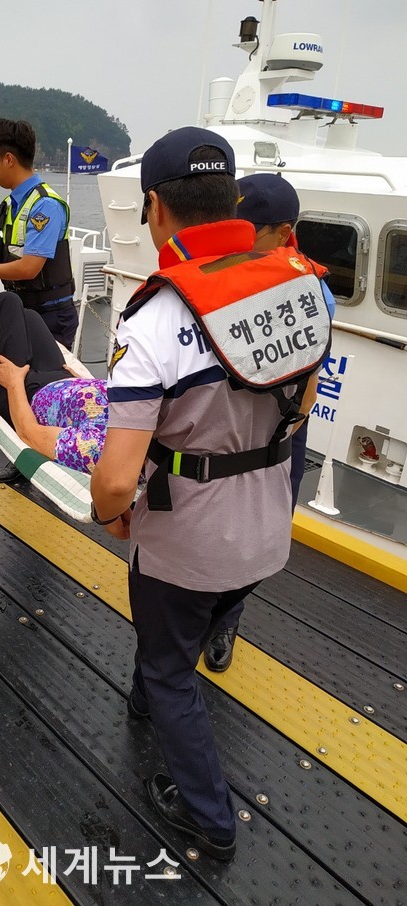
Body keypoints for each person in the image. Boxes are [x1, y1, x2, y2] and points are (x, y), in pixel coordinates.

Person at [90, 128, 330, 860]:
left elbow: (117, 479)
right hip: (267, 528)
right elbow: (303, 404)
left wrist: (109, 513)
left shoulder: (155, 319)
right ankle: (144, 700)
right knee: (193, 624)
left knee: (171, 668)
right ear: (231, 202)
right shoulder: (297, 289)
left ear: (156, 208)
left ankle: (209, 818)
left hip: (186, 540)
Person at [202, 172, 336, 672]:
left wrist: (284, 435)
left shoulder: (311, 293)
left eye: (249, 231)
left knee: (264, 529)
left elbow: (310, 380)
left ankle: (226, 616)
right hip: (221, 425)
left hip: (279, 430)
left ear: (282, 234)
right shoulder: (211, 272)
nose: (236, 240)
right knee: (208, 523)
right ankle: (194, 611)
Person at [0, 291, 107, 475]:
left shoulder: (96, 449)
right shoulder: (132, 411)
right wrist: (83, 383)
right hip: (62, 378)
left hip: (26, 396)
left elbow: (29, 435)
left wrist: (14, 383)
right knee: (29, 317)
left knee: (5, 302)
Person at [0, 119, 78, 350]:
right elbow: (9, 250)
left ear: (9, 160)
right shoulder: (14, 202)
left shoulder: (45, 205)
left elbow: (29, 267)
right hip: (24, 309)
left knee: (41, 373)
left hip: (50, 316)